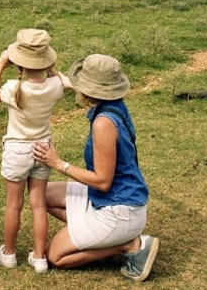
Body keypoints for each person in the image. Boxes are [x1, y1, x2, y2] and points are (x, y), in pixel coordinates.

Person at [32, 54, 160, 282]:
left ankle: (128, 245)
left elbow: (102, 181)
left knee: (55, 256)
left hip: (119, 211)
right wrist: (50, 69)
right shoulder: (114, 105)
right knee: (41, 194)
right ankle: (95, 233)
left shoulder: (103, 124)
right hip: (113, 198)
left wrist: (58, 163)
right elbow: (73, 84)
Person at [0, 29, 71, 273]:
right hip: (43, 149)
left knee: (14, 205)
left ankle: (9, 254)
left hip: (16, 149)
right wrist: (51, 67)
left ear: (19, 63)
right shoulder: (55, 86)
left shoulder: (14, 87)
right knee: (38, 205)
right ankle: (40, 257)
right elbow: (64, 80)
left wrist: (1, 65)